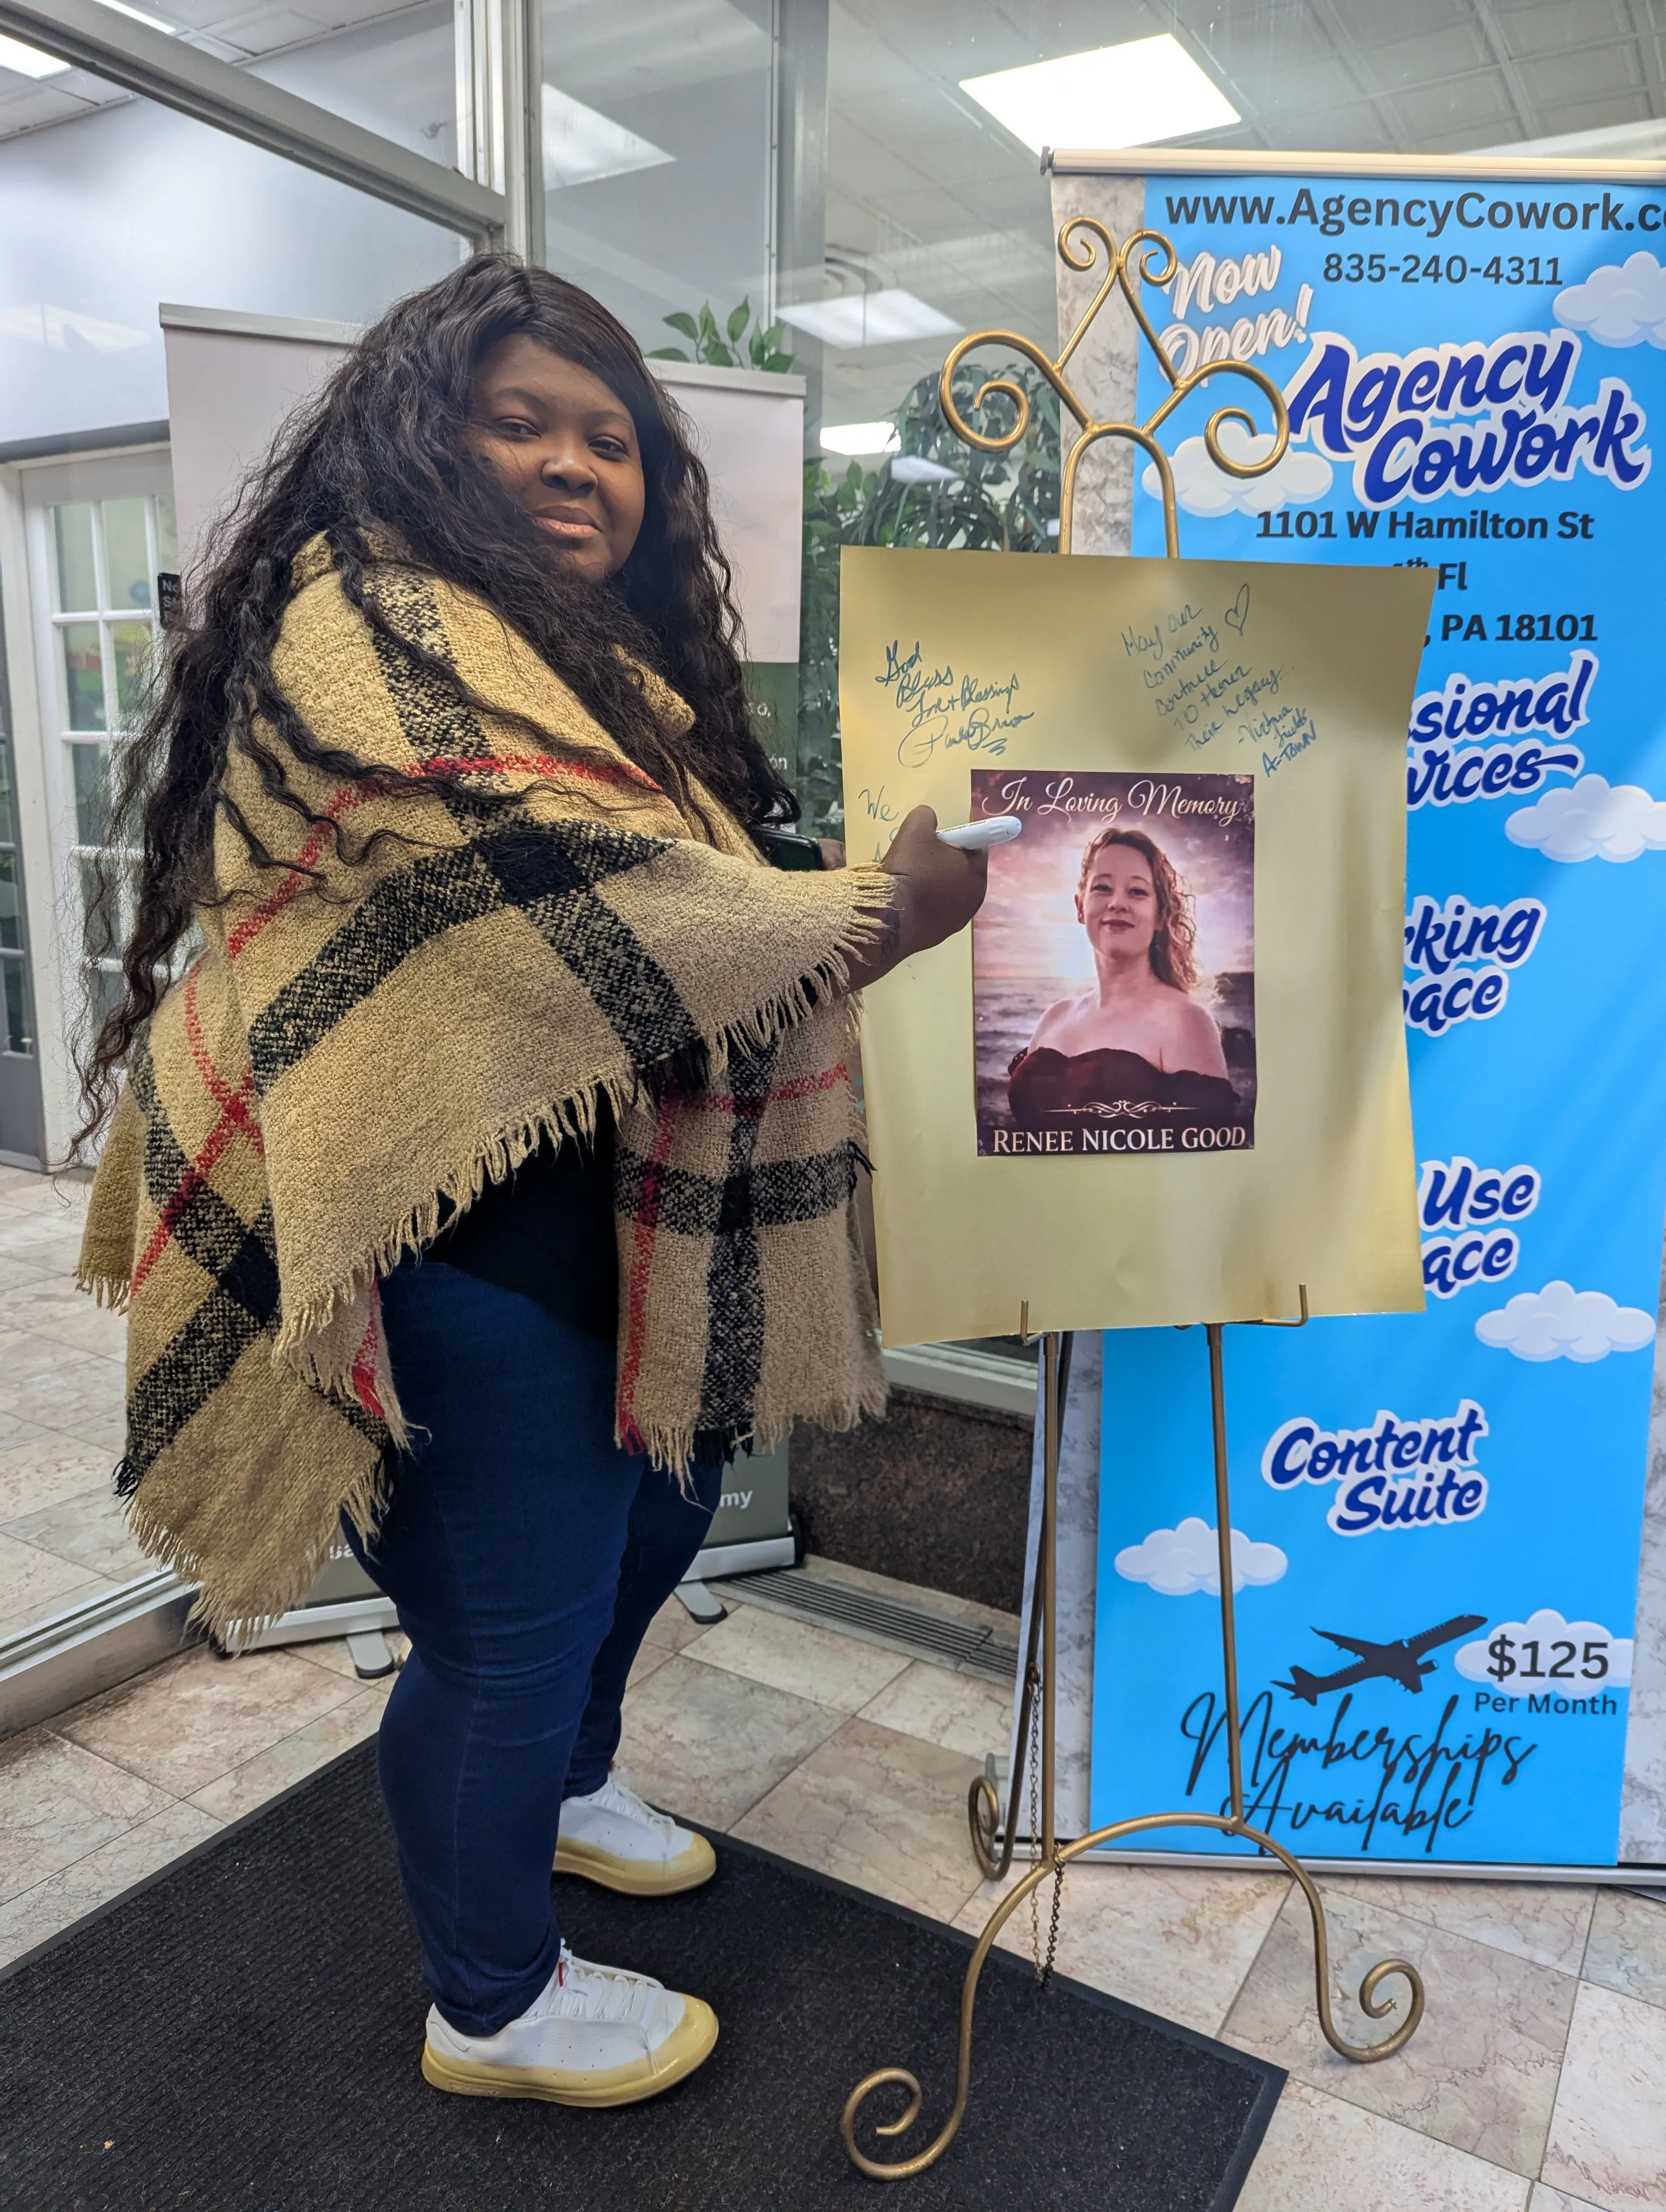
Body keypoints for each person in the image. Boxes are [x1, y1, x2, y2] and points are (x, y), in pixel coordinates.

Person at [75, 255, 985, 2111]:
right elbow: (577, 900)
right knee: (502, 1632)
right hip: (442, 1236)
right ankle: (489, 1999)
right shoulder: (362, 632)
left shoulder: (607, 670)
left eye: (614, 439)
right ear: (424, 435)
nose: (581, 467)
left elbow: (666, 923)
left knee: (644, 1542)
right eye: (522, 424)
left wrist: (827, 903)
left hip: (628, 1228)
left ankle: (564, 1790)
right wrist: (873, 913)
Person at [1007, 825, 1241, 1135]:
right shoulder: (1054, 1018)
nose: (1117, 903)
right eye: (1102, 888)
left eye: (1137, 892)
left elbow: (1203, 1162)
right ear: (1080, 907)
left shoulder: (1185, 1021)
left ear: (1160, 916)